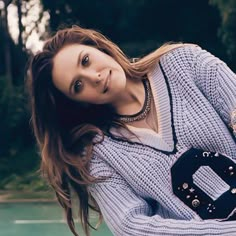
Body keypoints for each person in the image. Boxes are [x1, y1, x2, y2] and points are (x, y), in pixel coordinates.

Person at [27, 25, 236, 236]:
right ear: (77, 103)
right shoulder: (96, 152)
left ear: (99, 48)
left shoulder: (184, 62)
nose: (94, 77)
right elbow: (131, 226)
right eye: (78, 85)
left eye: (86, 60)